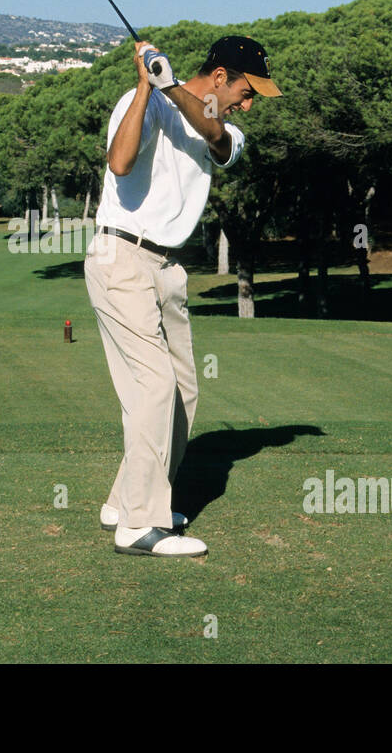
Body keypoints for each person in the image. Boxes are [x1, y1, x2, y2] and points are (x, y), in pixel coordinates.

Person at [85, 35, 280, 556]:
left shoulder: (226, 129)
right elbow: (120, 164)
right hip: (120, 256)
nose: (249, 101)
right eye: (246, 89)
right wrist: (147, 87)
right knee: (153, 385)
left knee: (183, 390)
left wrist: (169, 85)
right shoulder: (139, 104)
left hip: (168, 267)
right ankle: (139, 525)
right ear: (219, 77)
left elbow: (215, 136)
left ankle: (125, 501)